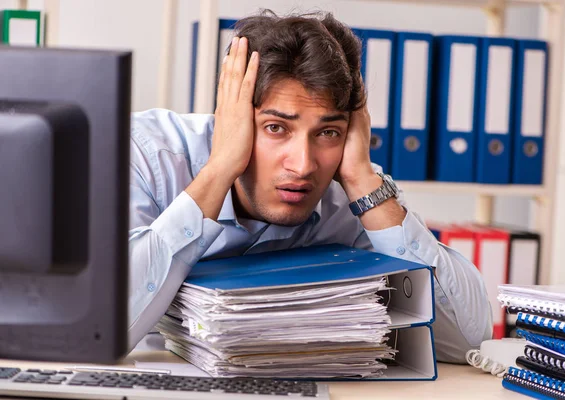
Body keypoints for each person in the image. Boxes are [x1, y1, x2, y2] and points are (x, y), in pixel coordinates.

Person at [127, 10, 492, 363]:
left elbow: (465, 341)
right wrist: (220, 168)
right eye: (276, 128)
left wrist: (364, 183)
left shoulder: (355, 191)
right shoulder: (145, 154)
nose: (303, 165)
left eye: (328, 132)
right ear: (230, 117)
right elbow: (104, 332)